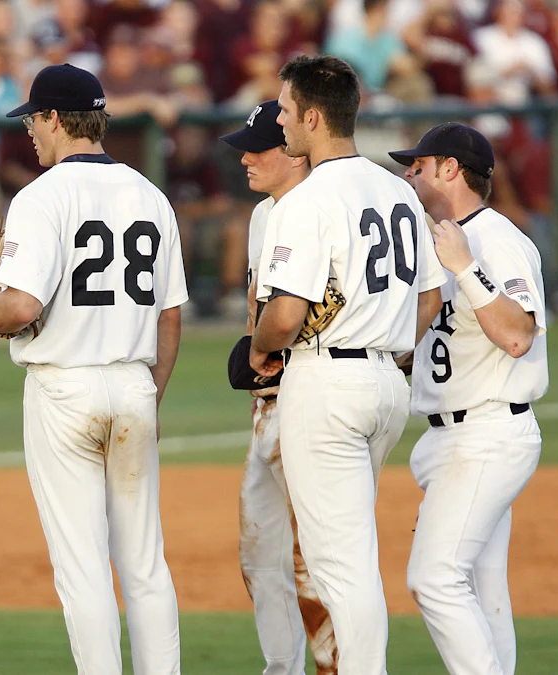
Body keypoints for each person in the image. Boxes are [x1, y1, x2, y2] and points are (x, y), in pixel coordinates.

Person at [0, 64, 188, 675]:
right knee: (144, 564)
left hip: (65, 389)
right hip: (136, 384)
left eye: (34, 119)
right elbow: (170, 319)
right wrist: (152, 394)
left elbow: (20, 307)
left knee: (83, 566)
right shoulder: (151, 193)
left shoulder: (41, 196)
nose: (30, 133)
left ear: (56, 119)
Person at [249, 55, 445, 674]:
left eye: (284, 109)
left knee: (341, 563)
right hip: (388, 382)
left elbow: (283, 317)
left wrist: (258, 347)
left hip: (326, 384)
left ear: (312, 115)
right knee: (351, 551)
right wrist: (389, 350)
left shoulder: (306, 199)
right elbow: (432, 296)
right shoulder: (397, 190)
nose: (278, 121)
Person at [389, 123, 547, 675]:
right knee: (482, 589)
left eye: (419, 165)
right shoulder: (440, 241)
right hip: (451, 437)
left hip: (488, 432)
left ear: (450, 170)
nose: (409, 174)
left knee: (432, 578)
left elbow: (517, 334)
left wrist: (466, 269)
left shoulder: (495, 241)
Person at [222, 100, 338, 675]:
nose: (244, 157)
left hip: (315, 401)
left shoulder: (321, 209)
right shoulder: (263, 216)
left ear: (293, 152)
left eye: (258, 146)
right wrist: (254, 355)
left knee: (313, 557)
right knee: (261, 554)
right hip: (269, 408)